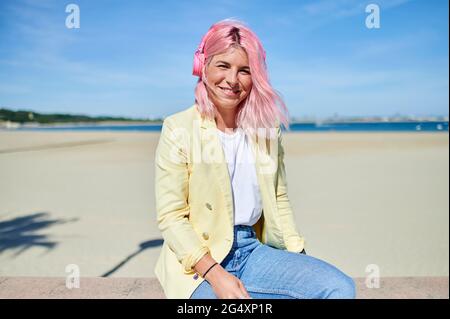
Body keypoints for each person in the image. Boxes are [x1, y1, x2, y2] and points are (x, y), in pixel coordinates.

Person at [154, 18, 356, 299]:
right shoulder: (178, 128)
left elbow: (279, 198)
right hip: (198, 262)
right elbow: (172, 217)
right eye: (223, 66)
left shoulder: (266, 129)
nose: (233, 80)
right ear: (202, 67)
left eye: (244, 71)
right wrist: (215, 274)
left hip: (253, 250)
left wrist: (299, 259)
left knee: (340, 288)